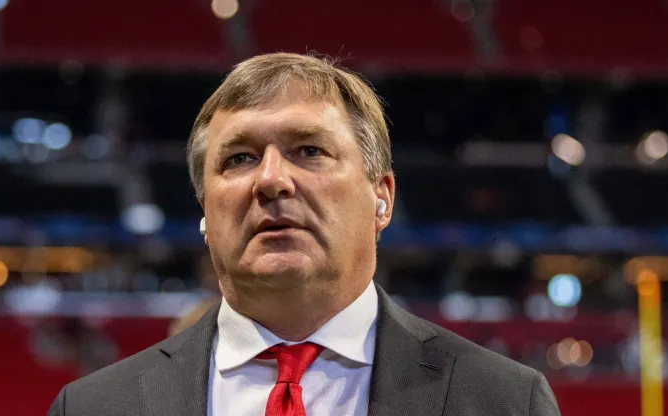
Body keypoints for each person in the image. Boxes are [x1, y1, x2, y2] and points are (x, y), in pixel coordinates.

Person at [48, 53, 560, 416]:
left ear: (381, 198)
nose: (271, 179)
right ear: (206, 211)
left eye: (309, 150)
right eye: (240, 158)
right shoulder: (93, 408)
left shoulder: (506, 403)